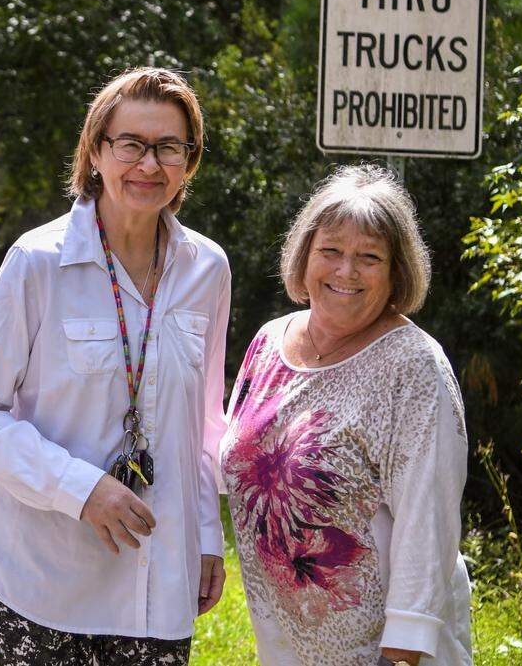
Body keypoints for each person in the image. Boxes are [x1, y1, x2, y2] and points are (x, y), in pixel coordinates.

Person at [0, 67, 231, 665]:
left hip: (159, 577)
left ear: (189, 162)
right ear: (97, 151)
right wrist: (82, 488)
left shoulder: (209, 269)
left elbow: (205, 423)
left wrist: (206, 537)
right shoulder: (37, 261)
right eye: (131, 144)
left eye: (168, 147)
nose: (148, 165)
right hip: (45, 575)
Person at [217, 164, 473, 666]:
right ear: (304, 255)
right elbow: (229, 464)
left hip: (386, 653)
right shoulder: (268, 343)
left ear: (398, 272)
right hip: (286, 646)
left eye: (369, 257)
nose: (345, 271)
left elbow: (429, 525)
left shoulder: (413, 367)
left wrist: (402, 653)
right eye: (330, 251)